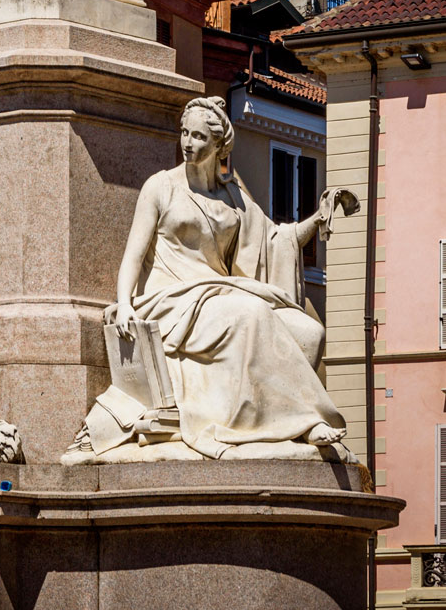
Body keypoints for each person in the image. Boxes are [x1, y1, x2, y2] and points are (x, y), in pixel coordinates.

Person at [65, 96, 356, 462]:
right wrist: (124, 304)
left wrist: (318, 217)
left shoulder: (232, 195)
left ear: (220, 145)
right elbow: (133, 257)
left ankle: (269, 426)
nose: (188, 143)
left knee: (309, 333)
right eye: (184, 133)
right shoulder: (161, 187)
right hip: (171, 300)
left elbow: (274, 241)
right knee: (249, 315)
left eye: (199, 136)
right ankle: (304, 421)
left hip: (220, 294)